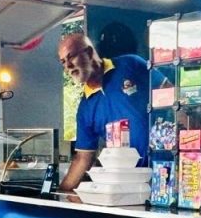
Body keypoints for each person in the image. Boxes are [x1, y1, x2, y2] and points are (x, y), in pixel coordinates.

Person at [56, 33, 149, 193]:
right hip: (130, 186)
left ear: (89, 52)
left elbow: (170, 95)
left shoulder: (131, 64)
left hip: (168, 169)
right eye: (63, 62)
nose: (68, 66)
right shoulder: (85, 108)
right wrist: (59, 194)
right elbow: (83, 158)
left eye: (71, 57)